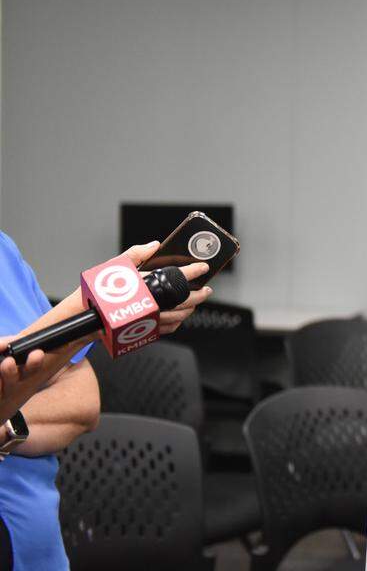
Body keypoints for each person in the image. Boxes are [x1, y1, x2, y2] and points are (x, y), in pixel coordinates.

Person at [0, 235, 210, 570]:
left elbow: (81, 400)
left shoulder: (3, 251)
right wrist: (89, 310)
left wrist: (8, 429)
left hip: (39, 549)